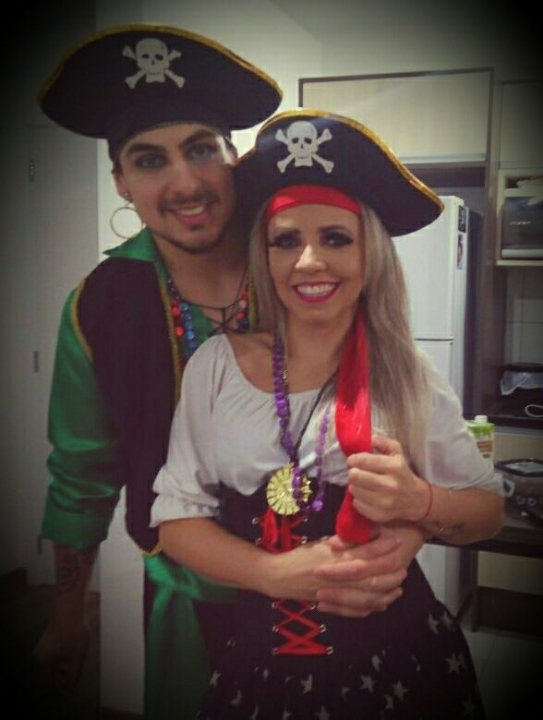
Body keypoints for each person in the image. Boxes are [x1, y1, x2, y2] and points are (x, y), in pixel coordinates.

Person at [33, 26, 421, 720]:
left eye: (200, 149)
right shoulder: (100, 304)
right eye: (149, 160)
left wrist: (407, 531)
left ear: (233, 158)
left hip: (335, 588)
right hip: (188, 601)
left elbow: (401, 418)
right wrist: (67, 617)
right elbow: (80, 476)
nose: (185, 183)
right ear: (121, 181)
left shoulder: (299, 260)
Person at [150, 109, 505, 719]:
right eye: (286, 240)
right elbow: (175, 522)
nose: (309, 262)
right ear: (264, 254)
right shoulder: (216, 367)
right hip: (260, 665)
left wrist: (420, 502)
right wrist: (273, 573)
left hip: (403, 665)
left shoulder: (409, 374)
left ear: (370, 254)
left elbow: (488, 511)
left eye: (336, 238)